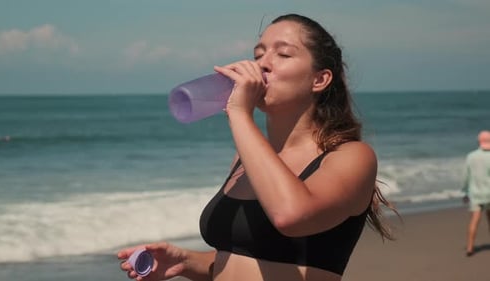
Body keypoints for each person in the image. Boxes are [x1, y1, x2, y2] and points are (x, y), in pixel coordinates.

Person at [118, 13, 397, 281]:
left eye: (283, 54)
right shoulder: (245, 158)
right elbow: (244, 263)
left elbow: (291, 216)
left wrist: (240, 114)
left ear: (320, 79)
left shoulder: (351, 157)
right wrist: (185, 263)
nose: (263, 64)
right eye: (258, 54)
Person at [462, 130, 490, 257]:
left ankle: (469, 247)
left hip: (476, 193)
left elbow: (466, 176)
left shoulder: (471, 156)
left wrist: (464, 191)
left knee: (474, 220)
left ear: (479, 141)